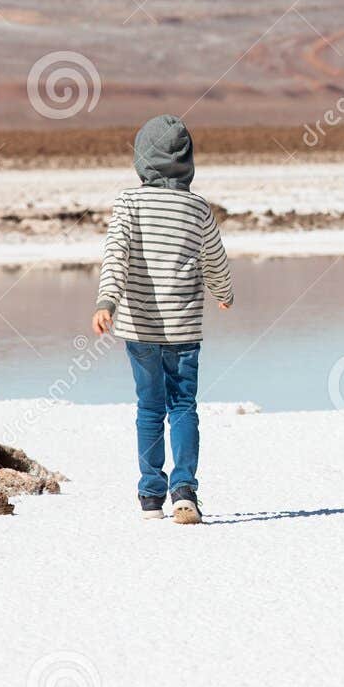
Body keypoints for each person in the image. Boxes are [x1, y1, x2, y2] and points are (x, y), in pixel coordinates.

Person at [91, 114, 233, 524]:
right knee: (183, 406)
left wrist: (107, 303)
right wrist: (223, 292)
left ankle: (151, 495)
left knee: (149, 408)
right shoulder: (196, 207)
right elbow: (214, 259)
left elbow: (116, 256)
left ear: (142, 159)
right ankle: (184, 489)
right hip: (184, 327)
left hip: (140, 328)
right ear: (187, 160)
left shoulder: (129, 203)